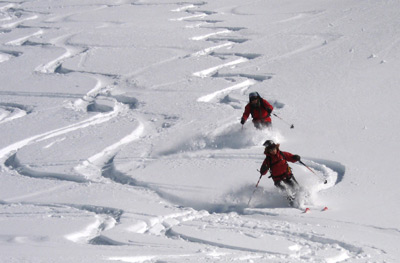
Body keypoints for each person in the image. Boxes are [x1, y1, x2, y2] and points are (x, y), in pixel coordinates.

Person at [259, 140, 301, 205]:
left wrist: (295, 158)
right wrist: (263, 170)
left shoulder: (282, 154)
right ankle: (292, 203)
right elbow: (263, 172)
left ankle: (303, 198)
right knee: (286, 191)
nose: (273, 151)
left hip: (288, 175)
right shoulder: (268, 160)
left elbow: (291, 158)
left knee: (296, 187)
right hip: (277, 179)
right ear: (268, 151)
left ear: (276, 147)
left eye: (274, 149)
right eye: (271, 150)